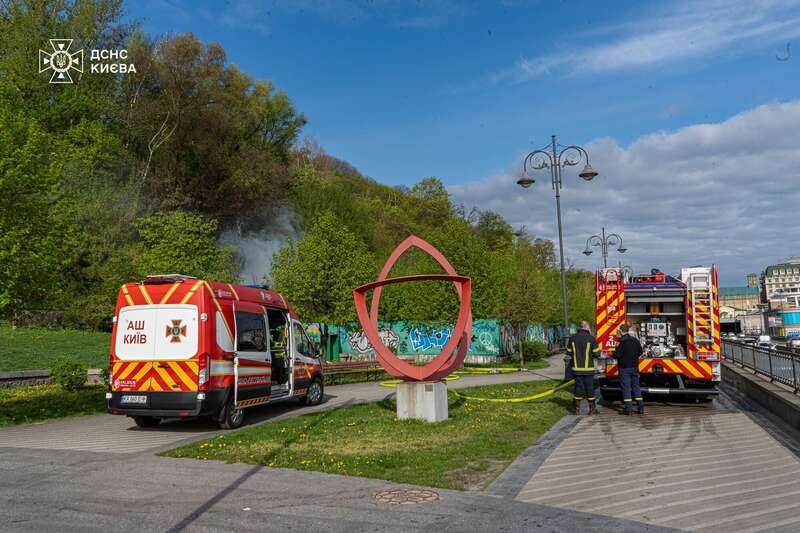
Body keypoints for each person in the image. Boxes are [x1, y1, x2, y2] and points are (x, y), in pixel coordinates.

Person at [566, 320, 601, 415]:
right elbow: (597, 353)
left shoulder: (572, 338)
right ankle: (592, 409)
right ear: (586, 327)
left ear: (580, 327)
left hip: (577, 369)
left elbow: (568, 352)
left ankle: (576, 409)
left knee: (578, 388)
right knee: (590, 388)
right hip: (588, 369)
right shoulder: (591, 338)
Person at [614, 323, 644, 415]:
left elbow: (618, 355)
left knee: (626, 388)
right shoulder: (635, 340)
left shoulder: (621, 341)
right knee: (636, 387)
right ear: (628, 330)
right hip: (634, 367)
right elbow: (640, 352)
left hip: (624, 368)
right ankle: (641, 408)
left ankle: (628, 409)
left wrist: (612, 354)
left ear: (621, 331)